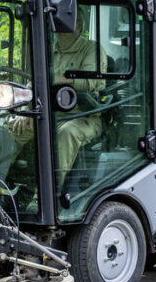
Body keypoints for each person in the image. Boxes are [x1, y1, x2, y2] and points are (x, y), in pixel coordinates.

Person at [8, 12, 107, 186]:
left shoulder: (92, 49)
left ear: (79, 25)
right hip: (46, 114)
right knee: (12, 129)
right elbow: (33, 83)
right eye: (56, 23)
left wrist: (62, 79)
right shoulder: (48, 50)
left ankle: (47, 198)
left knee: (66, 134)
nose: (59, 28)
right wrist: (25, 110)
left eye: (65, 23)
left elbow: (92, 81)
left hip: (83, 117)